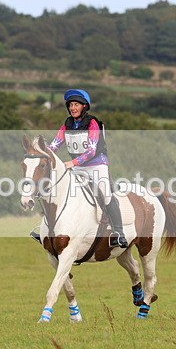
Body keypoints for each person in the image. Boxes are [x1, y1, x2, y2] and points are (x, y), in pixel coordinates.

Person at [30, 88, 129, 248]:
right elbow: (54, 146)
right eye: (70, 105)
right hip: (77, 167)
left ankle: (119, 233)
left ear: (84, 106)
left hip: (97, 165)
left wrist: (72, 163)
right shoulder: (66, 125)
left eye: (76, 104)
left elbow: (91, 150)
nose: (73, 108)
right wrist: (41, 152)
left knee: (105, 194)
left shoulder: (93, 124)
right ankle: (46, 230)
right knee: (54, 191)